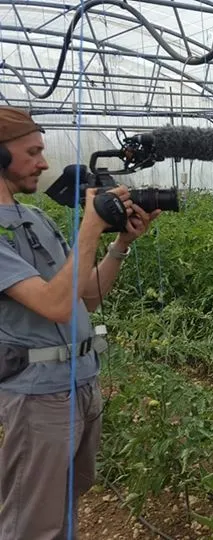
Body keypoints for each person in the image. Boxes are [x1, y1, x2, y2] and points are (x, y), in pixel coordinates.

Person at [0, 106, 160, 538]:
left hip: (81, 383)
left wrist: (121, 244)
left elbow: (85, 298)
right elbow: (53, 305)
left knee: (67, 501)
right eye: (32, 152)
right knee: (32, 521)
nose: (45, 163)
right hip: (38, 396)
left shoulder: (37, 218)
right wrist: (90, 226)